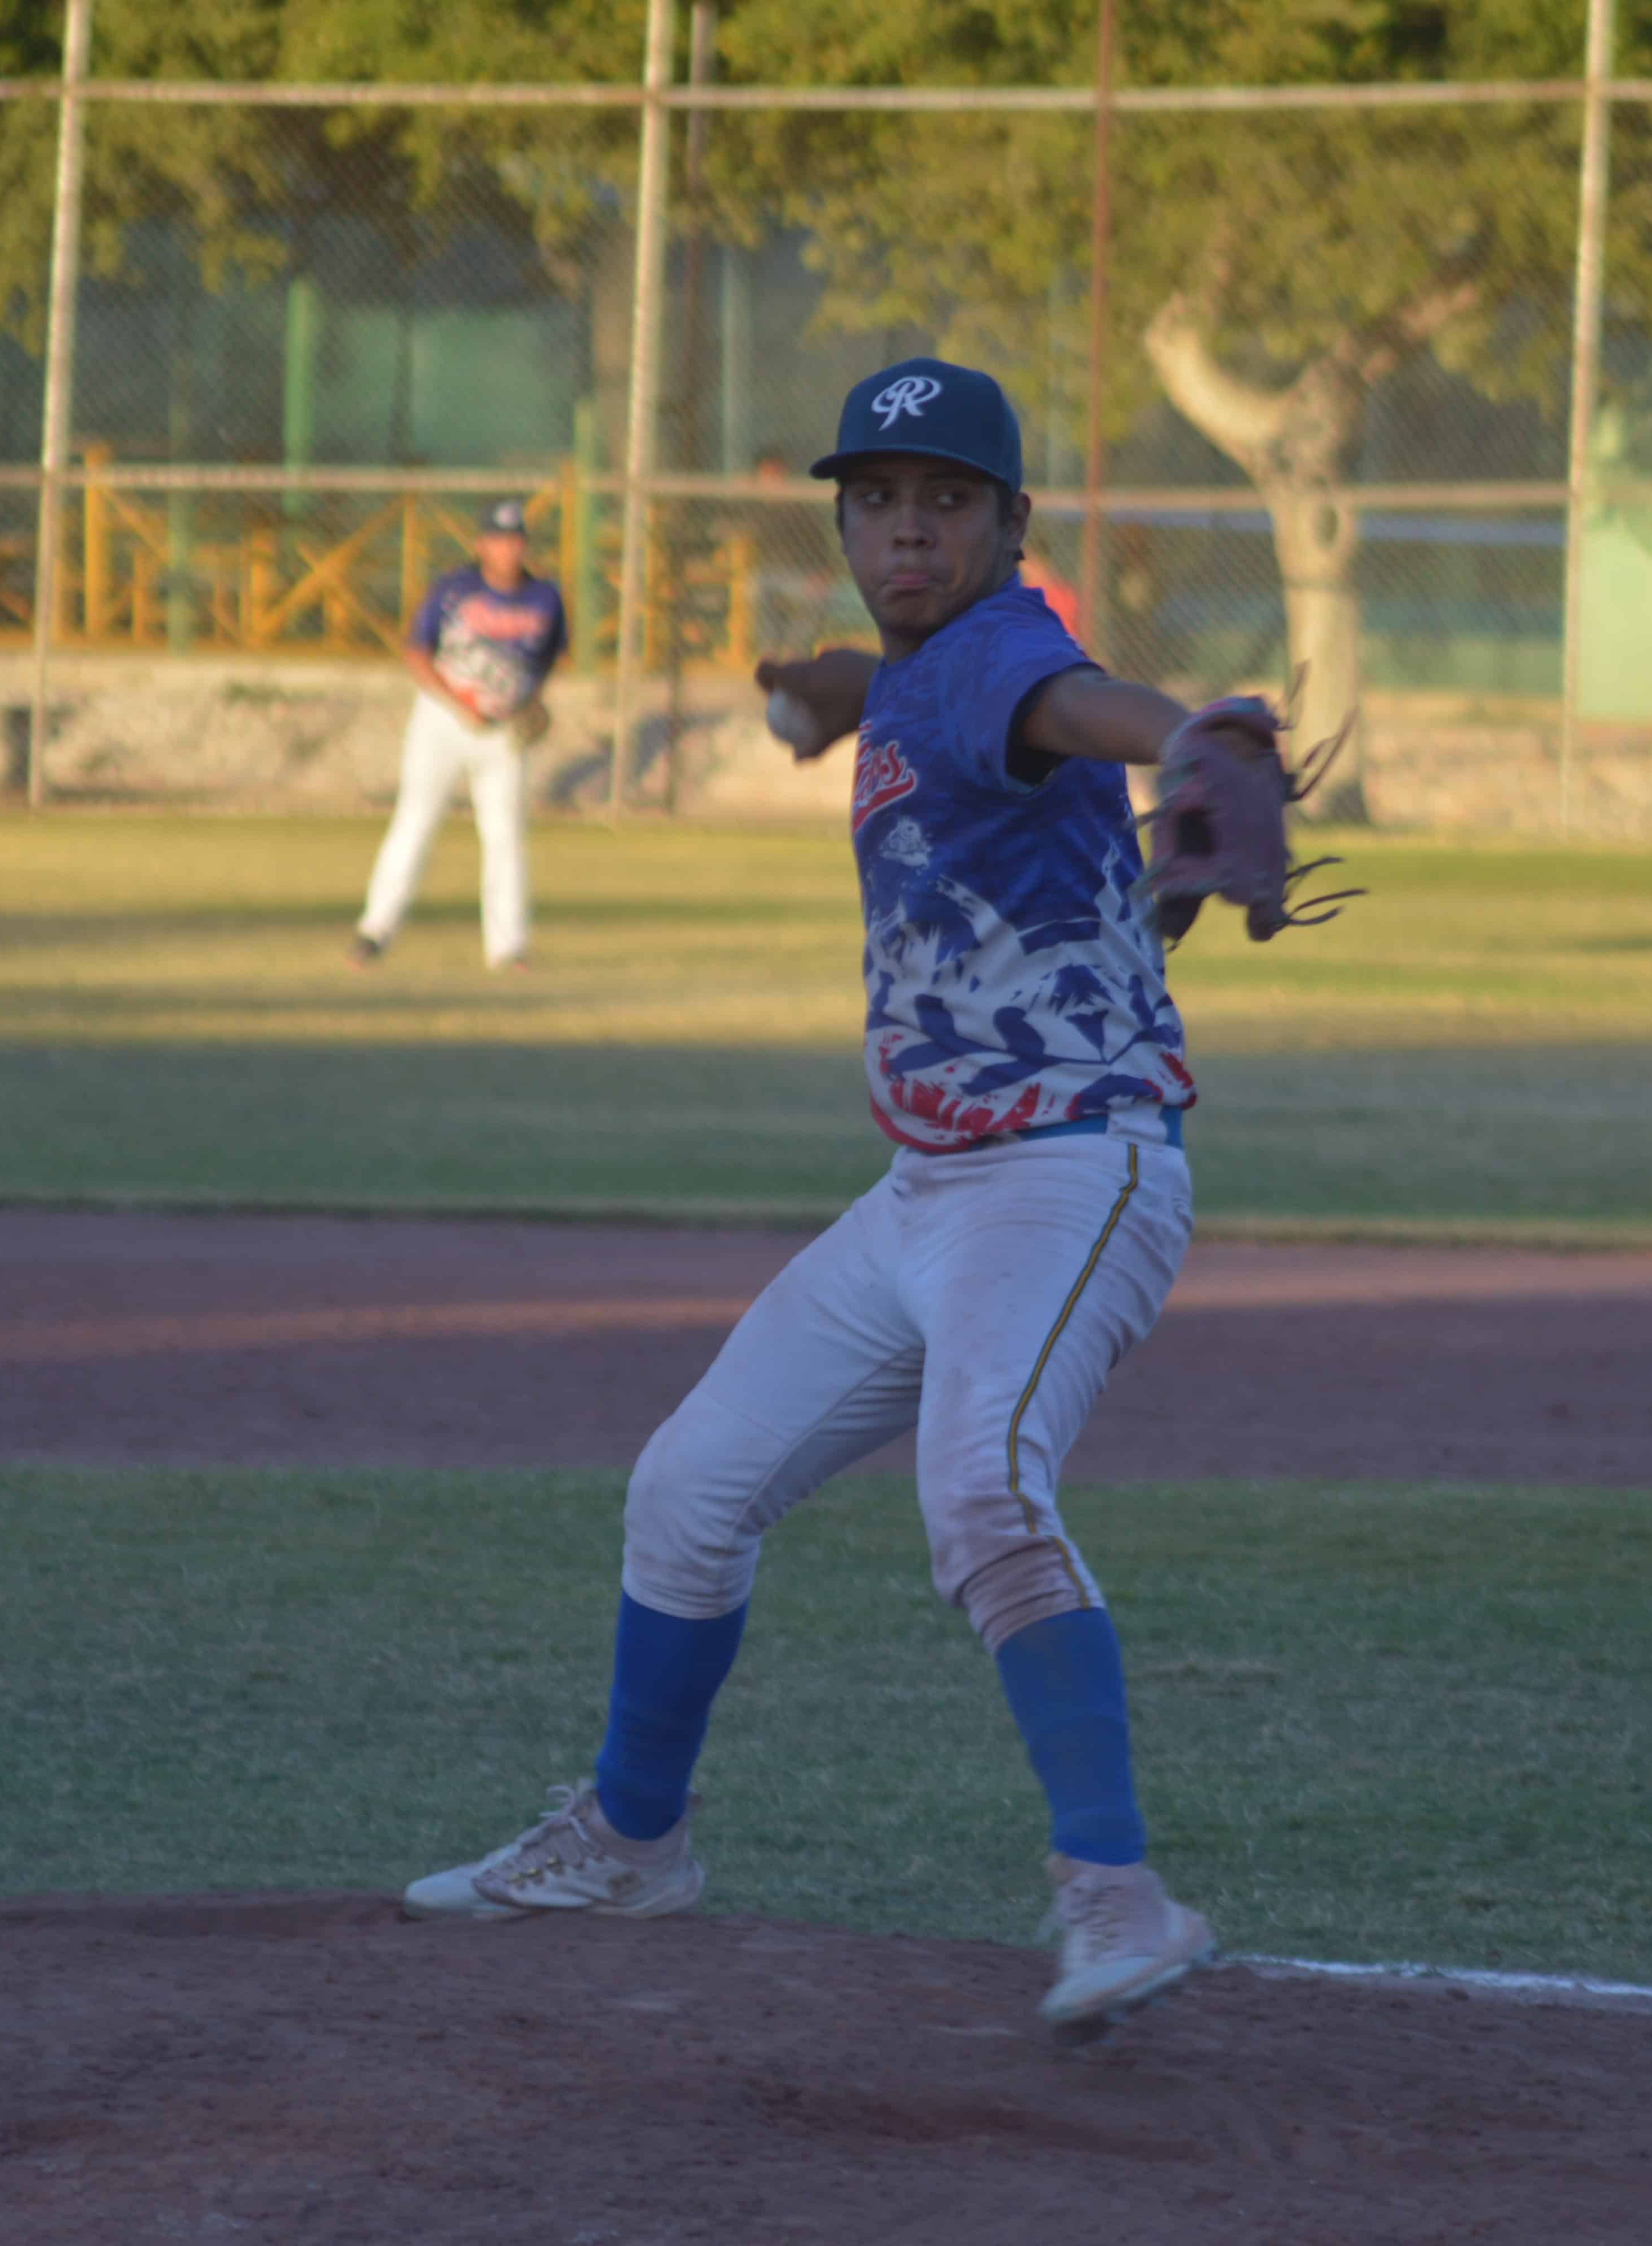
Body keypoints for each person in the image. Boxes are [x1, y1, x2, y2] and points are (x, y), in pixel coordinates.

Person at [403, 356, 1265, 2040]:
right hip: (924, 1188)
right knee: (687, 1487)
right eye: (876, 499)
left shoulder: (1006, 652)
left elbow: (1070, 702)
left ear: (1010, 524)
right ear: (847, 521)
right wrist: (831, 691)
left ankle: (1117, 1894)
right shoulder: (929, 669)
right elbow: (937, 700)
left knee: (983, 1494)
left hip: (1072, 1168)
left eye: (946, 500)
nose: (906, 527)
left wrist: (1189, 742)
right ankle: (631, 1841)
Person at [350, 498, 567, 971]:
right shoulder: (455, 589)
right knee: (415, 822)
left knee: (505, 836)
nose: (509, 548)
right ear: (481, 544)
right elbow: (417, 654)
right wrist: (460, 702)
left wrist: (531, 704)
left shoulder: (545, 598)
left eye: (516, 540)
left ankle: (507, 948)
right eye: (499, 539)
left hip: (502, 733)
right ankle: (375, 930)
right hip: (442, 723)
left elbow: (547, 661)